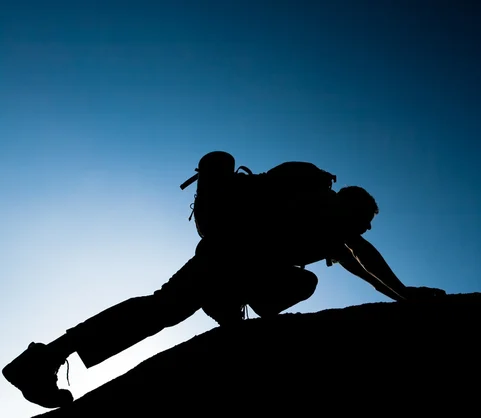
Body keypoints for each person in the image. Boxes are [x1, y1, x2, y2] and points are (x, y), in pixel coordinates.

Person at [3, 151, 445, 409]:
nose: (364, 230)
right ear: (355, 206)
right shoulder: (325, 209)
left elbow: (357, 261)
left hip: (227, 261)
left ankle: (42, 361)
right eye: (365, 220)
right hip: (228, 259)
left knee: (163, 310)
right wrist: (404, 295)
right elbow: (362, 258)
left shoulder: (323, 217)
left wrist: (401, 294)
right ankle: (41, 362)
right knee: (166, 310)